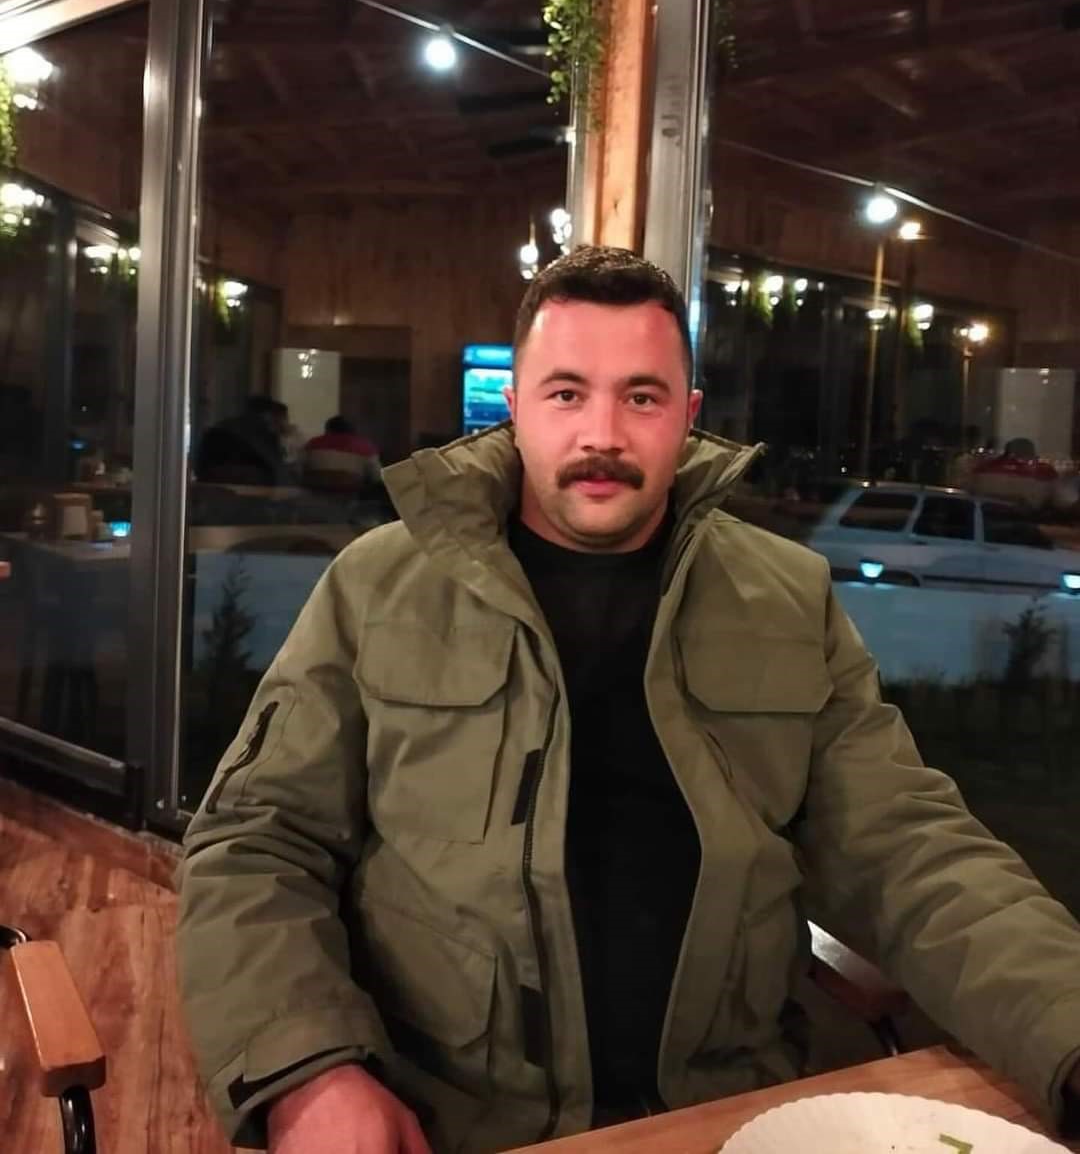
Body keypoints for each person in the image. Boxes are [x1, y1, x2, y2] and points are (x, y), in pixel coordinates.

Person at [177, 248, 1080, 1154]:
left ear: (688, 415)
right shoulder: (377, 587)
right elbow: (257, 840)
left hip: (732, 1115)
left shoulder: (787, 597)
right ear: (516, 407)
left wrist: (1070, 1035)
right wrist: (310, 1073)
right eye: (567, 393)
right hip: (457, 1121)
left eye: (641, 397)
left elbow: (910, 848)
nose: (602, 434)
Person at [194, 395, 290, 488]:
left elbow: (200, 470)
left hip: (210, 491)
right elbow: (277, 475)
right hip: (251, 494)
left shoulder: (219, 429)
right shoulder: (261, 435)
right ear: (267, 415)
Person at [303, 414, 381, 490]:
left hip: (315, 492)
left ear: (328, 429)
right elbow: (376, 477)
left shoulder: (312, 444)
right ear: (353, 430)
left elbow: (301, 470)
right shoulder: (366, 447)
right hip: (352, 494)